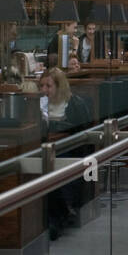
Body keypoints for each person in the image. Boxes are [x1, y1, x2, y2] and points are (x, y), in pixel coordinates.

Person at [38, 68, 94, 240]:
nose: (44, 90)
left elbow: (84, 137)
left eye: (49, 86)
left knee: (55, 168)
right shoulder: (38, 105)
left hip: (70, 152)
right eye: (42, 86)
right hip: (45, 150)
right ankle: (58, 215)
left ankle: (58, 217)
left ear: (59, 86)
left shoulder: (74, 104)